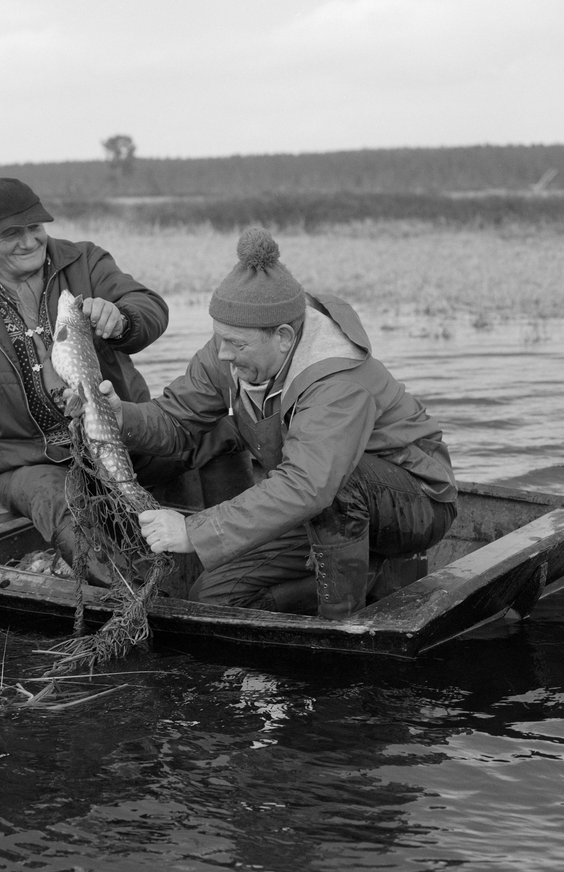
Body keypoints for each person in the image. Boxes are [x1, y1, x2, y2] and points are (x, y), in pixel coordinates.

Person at [94, 226, 458, 618]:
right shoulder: (229, 352)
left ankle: (342, 620)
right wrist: (120, 415)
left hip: (414, 504)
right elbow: (176, 420)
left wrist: (192, 531)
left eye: (237, 344)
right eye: (220, 338)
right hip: (318, 504)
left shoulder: (337, 380)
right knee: (213, 598)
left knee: (332, 482)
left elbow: (308, 484)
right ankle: (365, 575)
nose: (224, 354)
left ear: (284, 337)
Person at [0, 175, 173, 573]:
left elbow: (149, 306)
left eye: (35, 228)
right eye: (11, 234)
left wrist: (124, 319)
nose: (29, 242)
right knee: (67, 507)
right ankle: (124, 602)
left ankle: (232, 565)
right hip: (25, 461)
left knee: (213, 438)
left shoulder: (86, 262)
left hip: (120, 434)